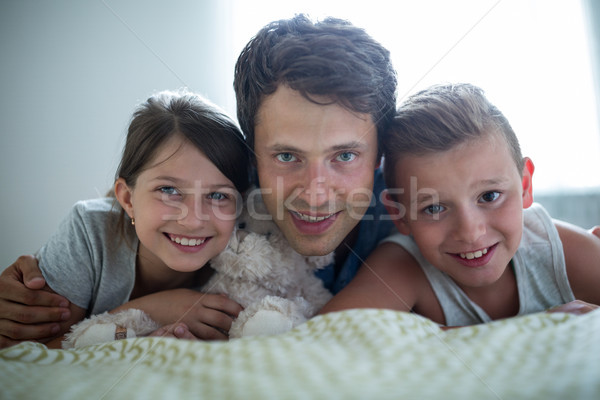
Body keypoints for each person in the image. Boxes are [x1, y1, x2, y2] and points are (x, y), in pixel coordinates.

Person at [0, 14, 399, 348]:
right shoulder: (224, 212)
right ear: (251, 155)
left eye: (345, 155)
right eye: (286, 156)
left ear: (379, 156)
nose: (314, 192)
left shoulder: (417, 214)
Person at [319, 83, 600, 326]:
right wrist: (542, 328)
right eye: (434, 208)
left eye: (489, 196)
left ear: (525, 186)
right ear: (399, 214)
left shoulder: (559, 252)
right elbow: (320, 342)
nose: (469, 231)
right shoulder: (404, 267)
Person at [0, 90, 252, 348]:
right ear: (128, 199)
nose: (193, 220)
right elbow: (28, 354)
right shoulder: (89, 233)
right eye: (168, 190)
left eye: (218, 195)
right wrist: (153, 310)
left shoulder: (248, 260)